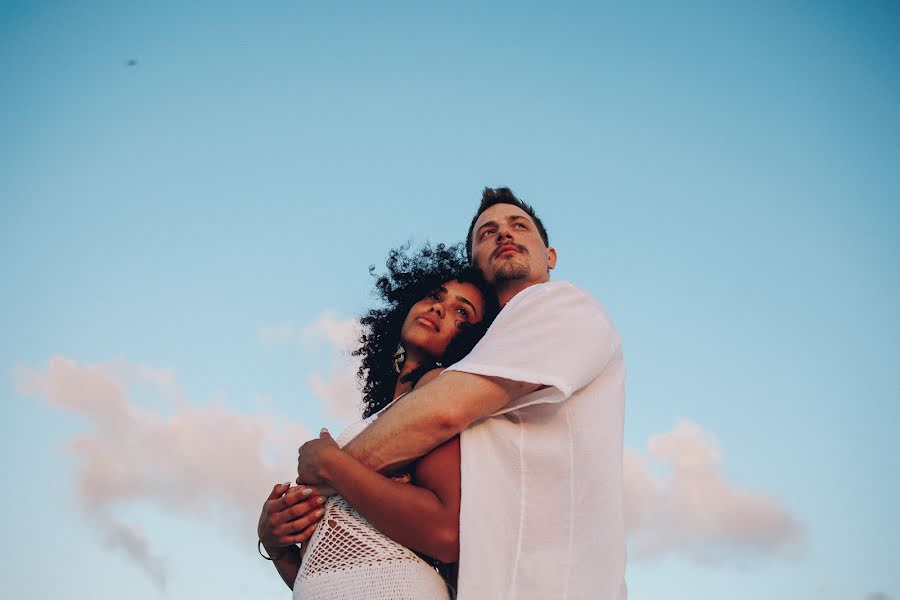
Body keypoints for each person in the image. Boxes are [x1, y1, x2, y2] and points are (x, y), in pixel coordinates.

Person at [296, 188, 627, 599]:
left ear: (551, 257)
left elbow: (444, 413)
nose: (503, 234)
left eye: (518, 225)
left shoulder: (560, 304)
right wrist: (281, 544)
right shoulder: (485, 357)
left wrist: (320, 480)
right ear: (474, 263)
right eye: (487, 232)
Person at [257, 242, 498, 598]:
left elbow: (445, 536)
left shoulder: (438, 390)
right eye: (435, 295)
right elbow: (325, 571)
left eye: (461, 312)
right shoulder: (380, 420)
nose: (438, 308)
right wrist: (276, 544)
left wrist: (331, 464)